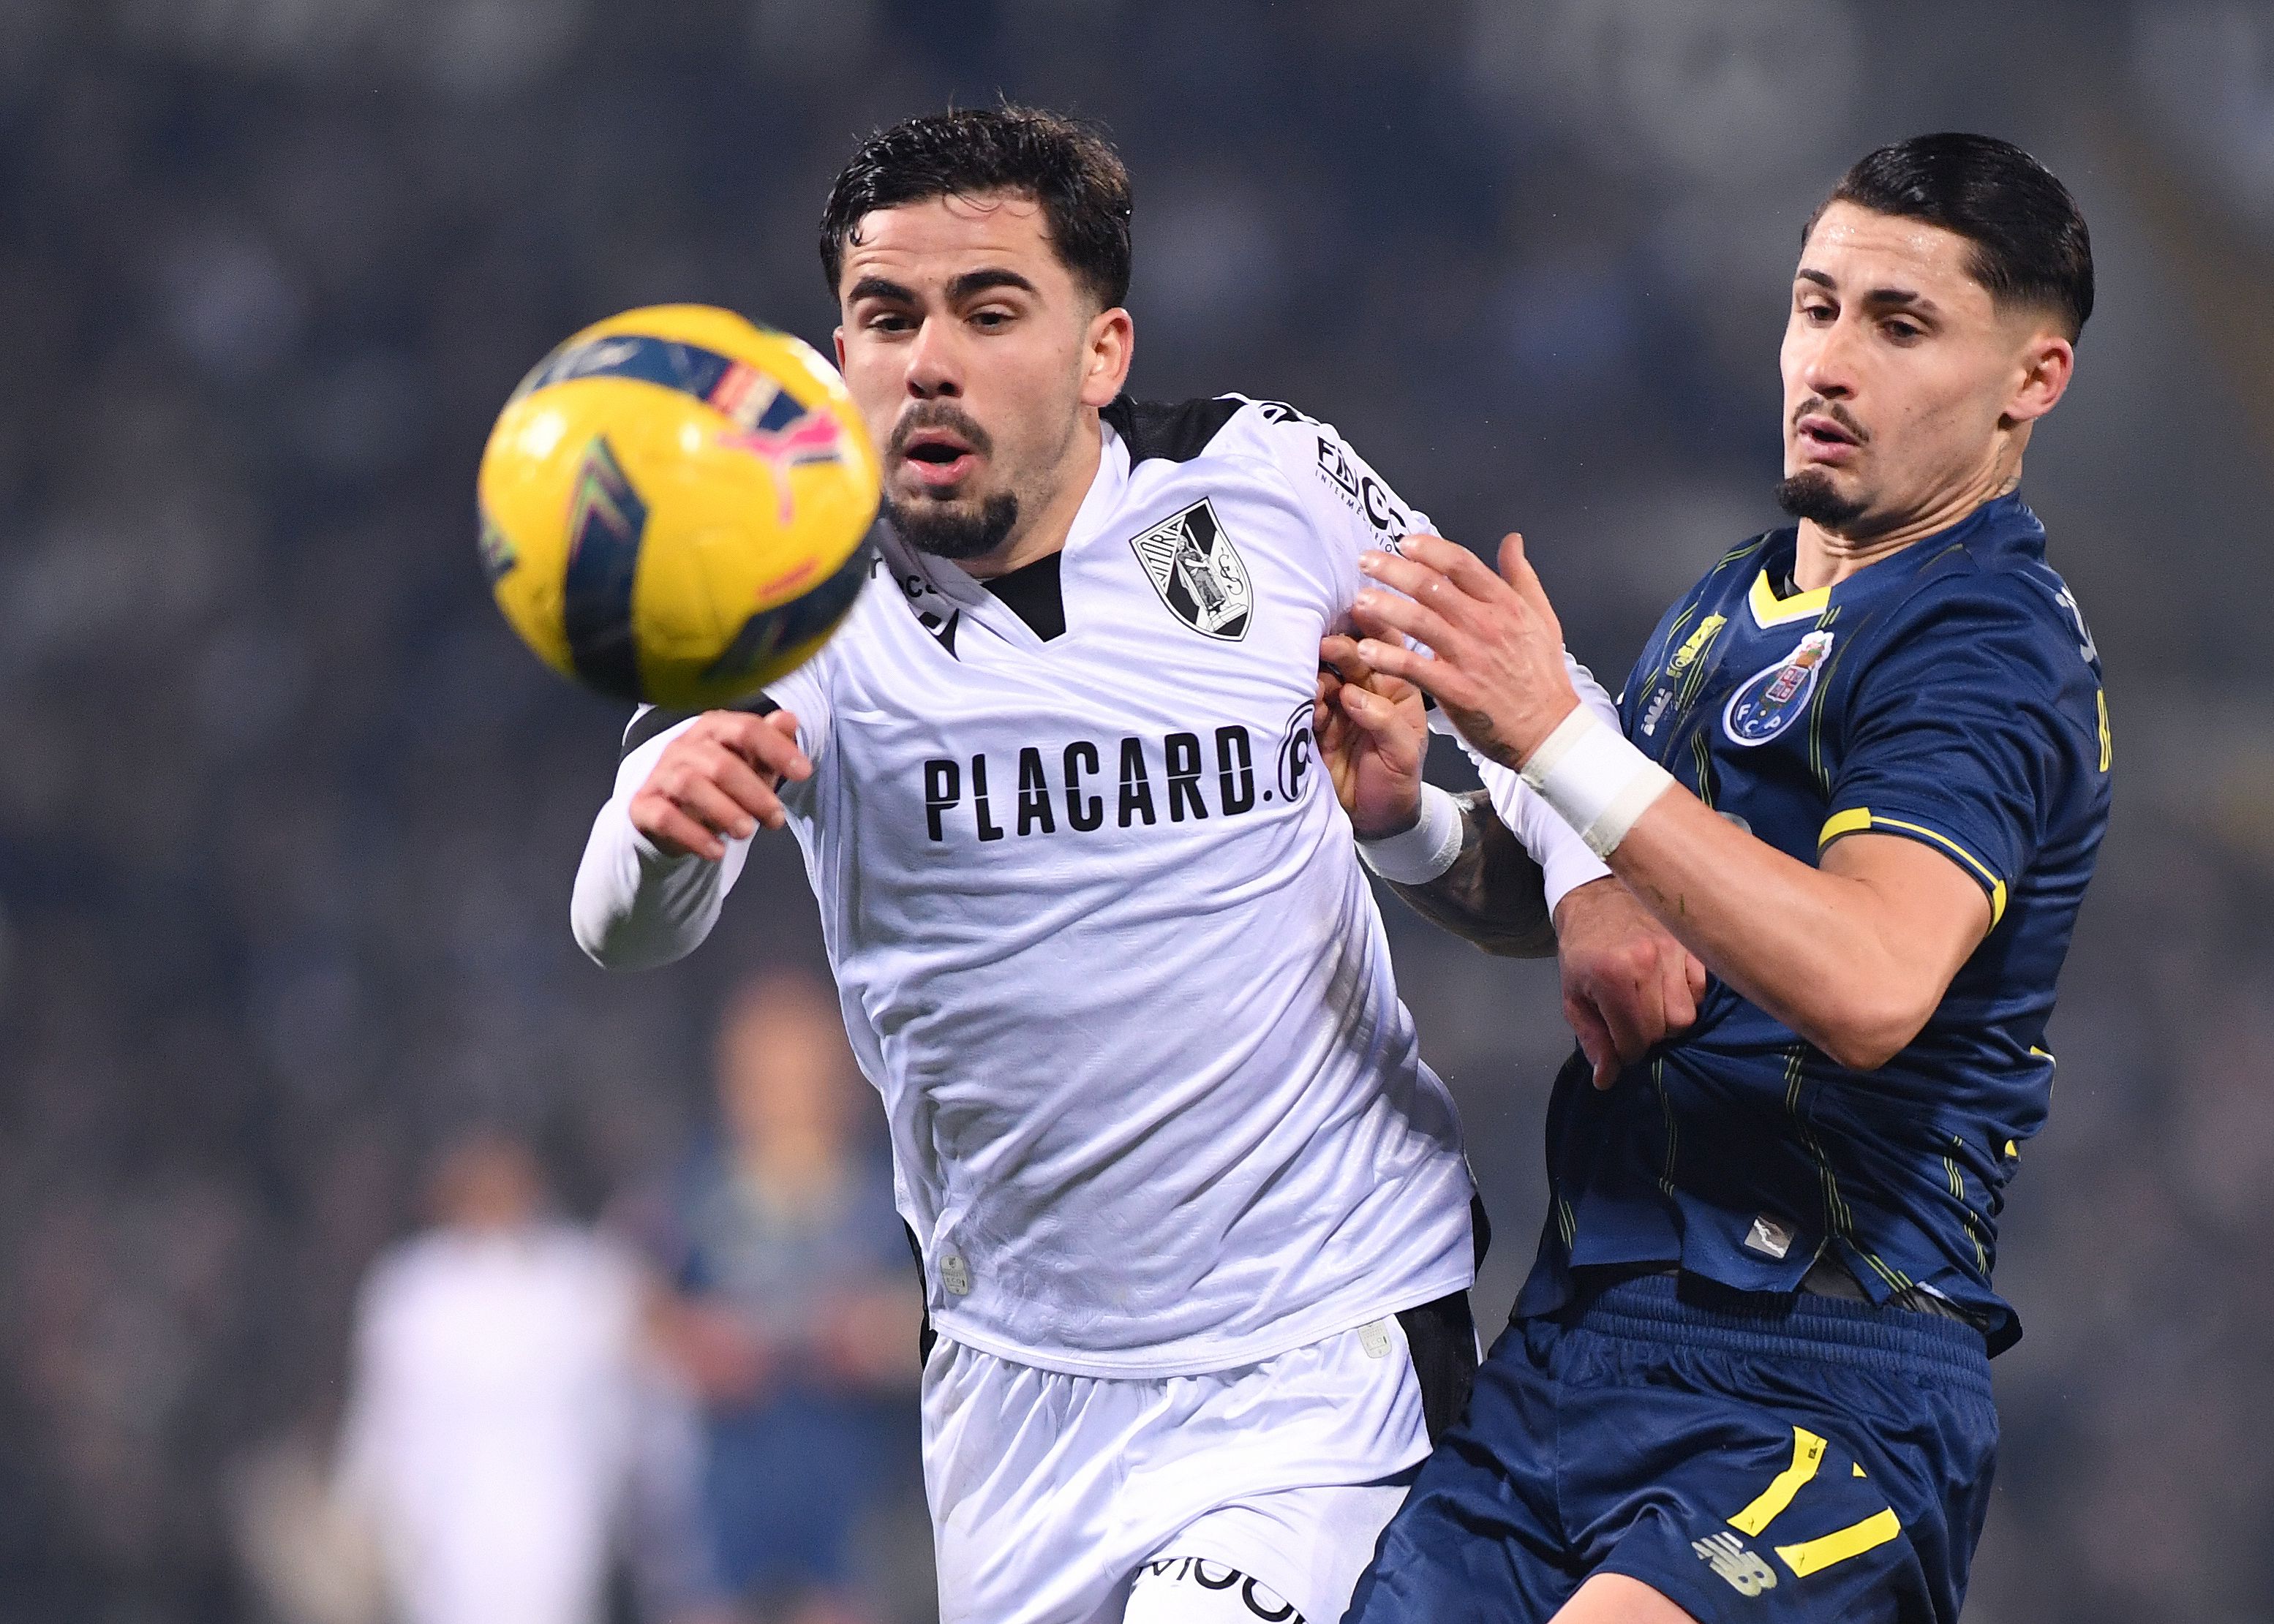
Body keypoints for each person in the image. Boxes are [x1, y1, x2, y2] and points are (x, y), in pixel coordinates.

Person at [571, 105, 1494, 1624]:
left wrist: (1580, 888)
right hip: (1016, 1390)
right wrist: (664, 828)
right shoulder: (785, 586)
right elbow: (620, 925)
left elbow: (1531, 712)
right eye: (886, 316)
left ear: (1100, 350)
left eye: (987, 311)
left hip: (1319, 1349)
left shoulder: (1260, 485)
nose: (928, 358)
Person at [1319, 134, 2111, 1623]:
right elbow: (1637, 925)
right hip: (1571, 1346)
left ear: (2032, 380)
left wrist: (1556, 732)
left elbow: (1871, 983)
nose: (1830, 361)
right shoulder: (1726, 603)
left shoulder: (1986, 646)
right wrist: (1404, 823)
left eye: (1901, 327)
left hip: (1821, 1368)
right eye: (1815, 307)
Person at [627, 967, 922, 1624]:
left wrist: (876, 1336)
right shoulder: (694, 1189)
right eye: (766, 1076)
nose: (786, 1097)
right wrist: (692, 1344)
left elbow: (946, 1319)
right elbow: (638, 1313)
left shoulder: (891, 1193)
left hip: (852, 1493)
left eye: (803, 1076)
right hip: (724, 1496)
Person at [336, 1133, 705, 1624]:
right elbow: (383, 1415)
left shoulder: (587, 1276)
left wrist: (657, 1512)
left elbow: (652, 1409)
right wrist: (362, 1508)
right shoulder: (409, 1288)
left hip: (560, 1526)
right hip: (443, 1535)